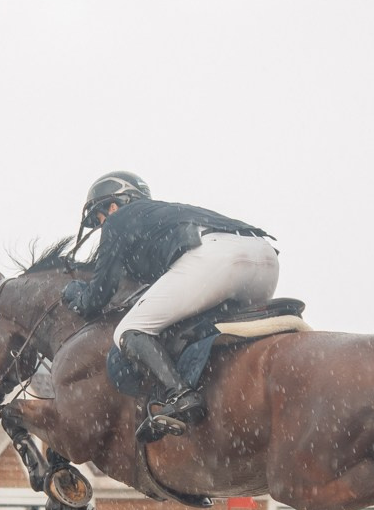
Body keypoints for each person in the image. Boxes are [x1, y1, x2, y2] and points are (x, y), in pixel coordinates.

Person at [60, 170, 280, 442]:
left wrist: (75, 295)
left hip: (218, 259)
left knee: (128, 331)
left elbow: (100, 294)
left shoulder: (118, 221)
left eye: (100, 218)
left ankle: (181, 394)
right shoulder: (161, 215)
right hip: (265, 257)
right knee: (203, 327)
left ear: (113, 207)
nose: (103, 224)